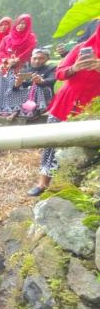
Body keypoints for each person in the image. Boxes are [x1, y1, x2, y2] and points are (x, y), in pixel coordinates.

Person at [27, 24, 100, 196]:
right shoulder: (80, 49)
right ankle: (43, 183)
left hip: (91, 107)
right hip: (65, 102)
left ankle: (73, 184)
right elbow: (59, 73)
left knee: (84, 147)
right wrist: (75, 68)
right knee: (51, 143)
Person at [4, 48, 56, 121]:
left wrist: (41, 81)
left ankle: (37, 111)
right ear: (31, 58)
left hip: (45, 96)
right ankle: (16, 110)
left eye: (41, 58)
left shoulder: (51, 68)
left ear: (47, 59)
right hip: (28, 97)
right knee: (12, 88)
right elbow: (21, 86)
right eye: (34, 58)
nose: (37, 61)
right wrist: (17, 84)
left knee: (37, 87)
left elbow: (52, 80)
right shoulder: (26, 70)